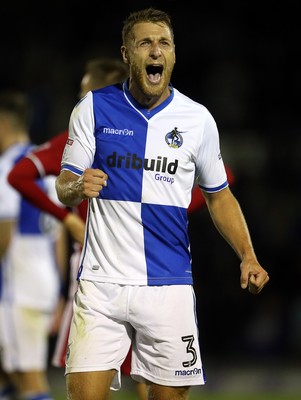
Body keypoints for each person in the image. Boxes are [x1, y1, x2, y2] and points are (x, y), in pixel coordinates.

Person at [55, 7, 269, 400]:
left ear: (173, 55)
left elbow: (219, 195)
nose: (156, 50)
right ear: (126, 54)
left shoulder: (197, 119)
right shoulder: (93, 108)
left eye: (164, 43)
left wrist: (248, 256)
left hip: (168, 285)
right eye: (145, 43)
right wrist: (75, 187)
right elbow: (64, 184)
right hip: (102, 283)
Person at [7, 58, 150, 400]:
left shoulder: (79, 137)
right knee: (145, 371)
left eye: (84, 92)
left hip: (96, 269)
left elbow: (19, 175)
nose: (79, 101)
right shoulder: (150, 135)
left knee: (92, 371)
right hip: (147, 266)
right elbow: (224, 179)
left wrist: (69, 219)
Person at [0, 90, 66, 400]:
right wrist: (60, 290)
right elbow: (59, 233)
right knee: (10, 375)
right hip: (43, 279)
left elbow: (4, 234)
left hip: (17, 282)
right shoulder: (44, 163)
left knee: (29, 380)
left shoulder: (8, 167)